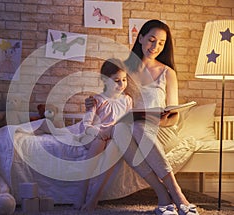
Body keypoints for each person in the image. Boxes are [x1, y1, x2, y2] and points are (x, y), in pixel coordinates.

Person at [84, 19, 199, 215]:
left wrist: (159, 119)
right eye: (151, 40)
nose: (155, 47)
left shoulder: (167, 73)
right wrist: (92, 102)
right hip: (133, 129)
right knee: (122, 129)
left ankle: (176, 192)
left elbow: (174, 118)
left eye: (161, 43)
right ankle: (163, 194)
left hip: (161, 130)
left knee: (137, 128)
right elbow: (110, 99)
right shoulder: (124, 71)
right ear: (140, 38)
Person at [73, 58, 134, 210]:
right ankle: (82, 191)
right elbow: (86, 124)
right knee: (101, 141)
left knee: (115, 147)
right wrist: (99, 133)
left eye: (124, 80)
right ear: (105, 80)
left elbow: (127, 122)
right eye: (117, 80)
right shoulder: (97, 100)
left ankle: (94, 198)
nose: (122, 84)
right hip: (94, 136)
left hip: (113, 135)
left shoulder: (127, 100)